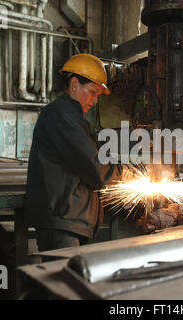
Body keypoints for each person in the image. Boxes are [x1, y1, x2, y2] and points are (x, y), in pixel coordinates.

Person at [25, 53, 122, 253]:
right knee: (62, 282)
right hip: (61, 221)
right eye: (93, 92)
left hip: (67, 219)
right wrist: (129, 174)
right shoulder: (62, 116)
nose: (95, 100)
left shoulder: (71, 118)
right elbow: (94, 166)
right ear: (75, 84)